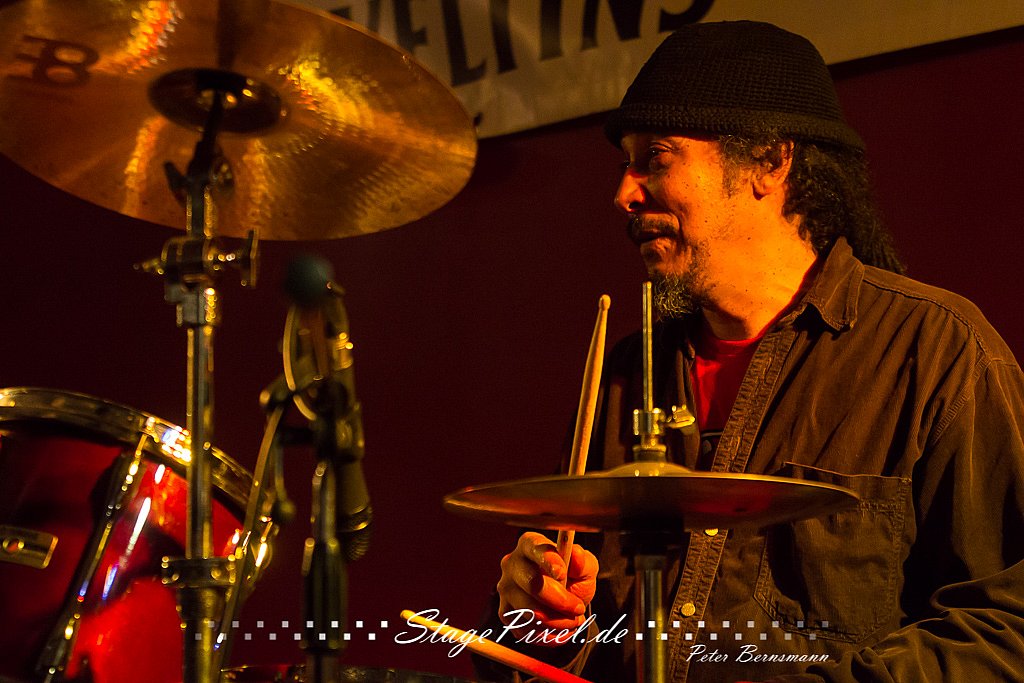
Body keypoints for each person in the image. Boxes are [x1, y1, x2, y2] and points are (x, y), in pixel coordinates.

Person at [476, 20, 1024, 683]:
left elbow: (1007, 630)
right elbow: (587, 638)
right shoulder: (629, 371)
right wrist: (544, 627)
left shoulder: (936, 350)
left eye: (656, 157)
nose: (624, 193)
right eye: (626, 162)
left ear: (770, 162)